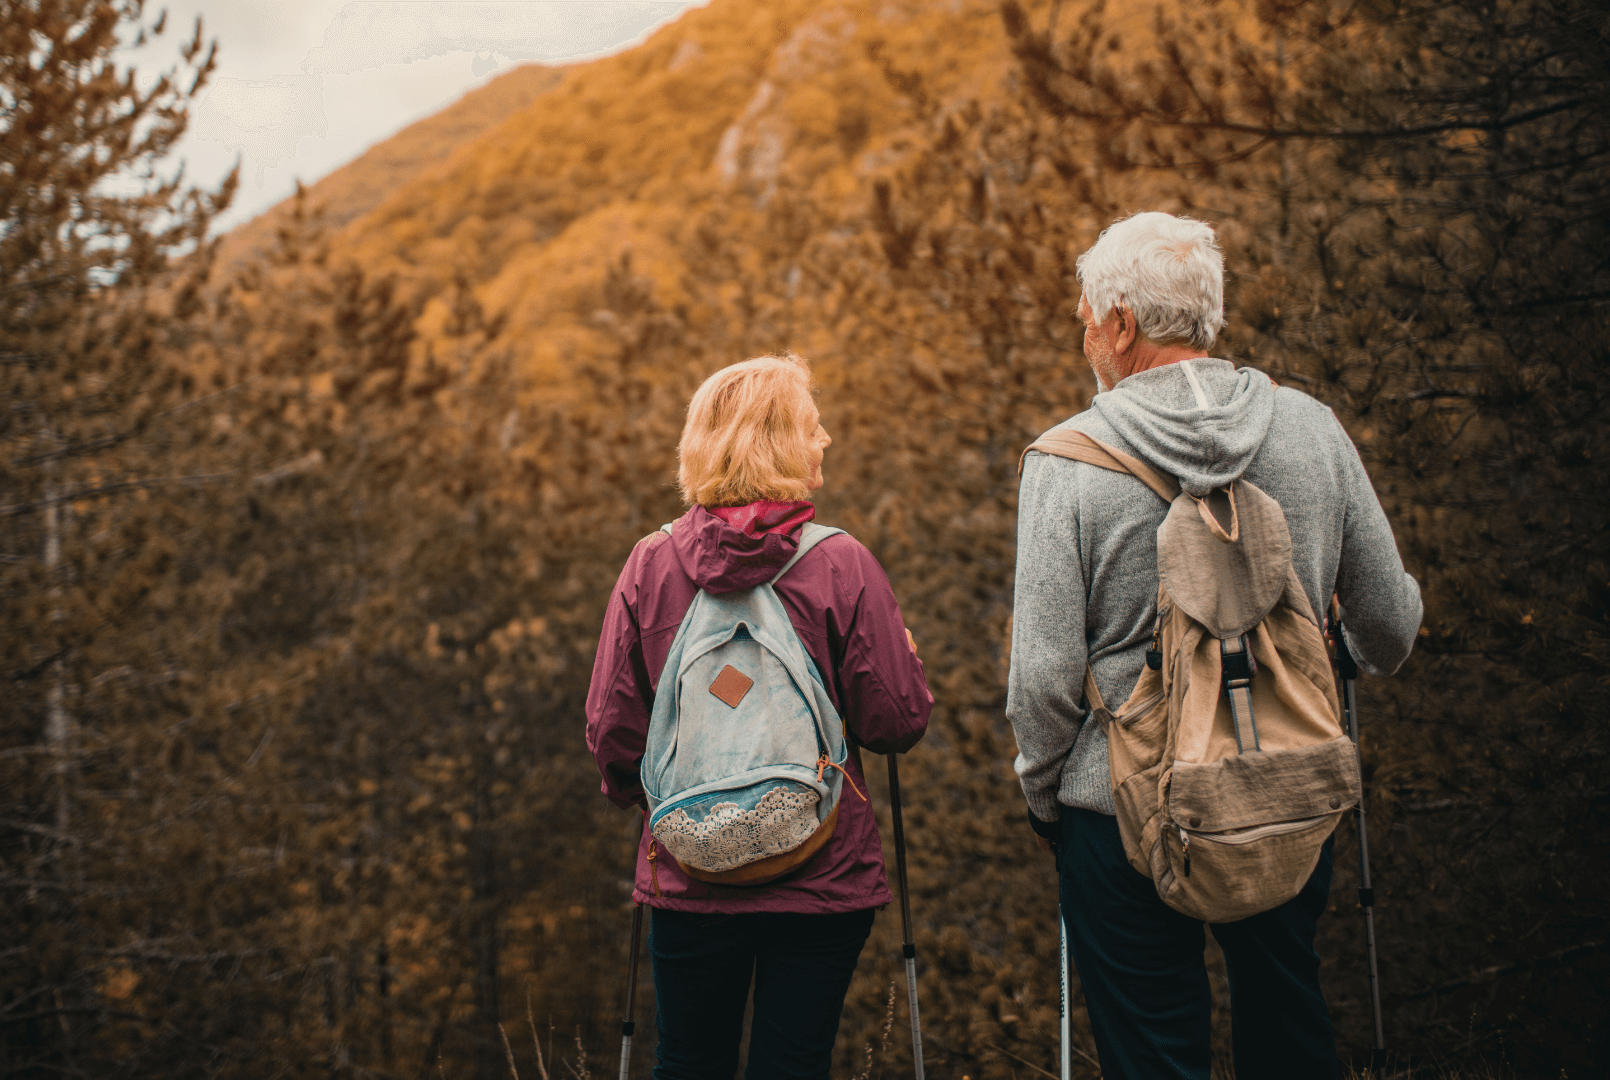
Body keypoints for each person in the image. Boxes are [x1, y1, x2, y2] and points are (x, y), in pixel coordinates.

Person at [1006, 212, 1423, 1079]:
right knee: (1287, 1018)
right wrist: (1335, 655)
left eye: (1086, 315)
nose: (1084, 332)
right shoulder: (1311, 428)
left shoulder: (1066, 462)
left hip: (1118, 809)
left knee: (1155, 1052)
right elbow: (1391, 622)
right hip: (1287, 784)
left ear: (1121, 324)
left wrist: (1045, 796)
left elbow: (1042, 681)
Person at [586, 354, 931, 1080]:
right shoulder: (842, 565)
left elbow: (612, 732)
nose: (826, 438)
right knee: (794, 1063)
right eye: (812, 426)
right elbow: (895, 723)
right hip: (822, 867)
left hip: (690, 863)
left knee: (687, 1060)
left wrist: (649, 805)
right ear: (776, 443)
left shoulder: (650, 566)